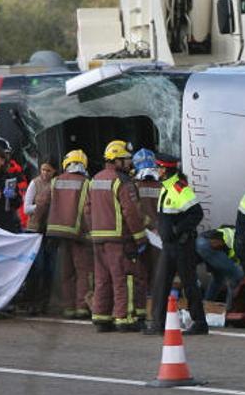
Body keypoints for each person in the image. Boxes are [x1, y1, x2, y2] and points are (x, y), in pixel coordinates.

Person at [85, 141, 148, 332]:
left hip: (98, 238)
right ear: (117, 160)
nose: (129, 164)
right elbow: (131, 212)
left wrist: (94, 230)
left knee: (102, 279)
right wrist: (140, 238)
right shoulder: (122, 182)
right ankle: (124, 318)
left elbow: (87, 210)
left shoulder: (95, 179)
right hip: (119, 239)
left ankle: (101, 317)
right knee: (122, 277)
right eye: (126, 160)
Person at [145, 153, 207, 336]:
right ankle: (158, 324)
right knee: (161, 284)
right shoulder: (166, 187)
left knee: (189, 284)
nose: (157, 170)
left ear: (166, 169)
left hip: (181, 246)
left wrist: (177, 230)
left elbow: (197, 213)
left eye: (159, 167)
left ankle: (200, 323)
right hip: (169, 246)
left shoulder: (180, 189)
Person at [44, 150, 94, 319]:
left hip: (59, 234)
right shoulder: (87, 183)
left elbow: (43, 203)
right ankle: (81, 307)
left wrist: (36, 227)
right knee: (82, 271)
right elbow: (89, 210)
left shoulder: (55, 181)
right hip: (80, 234)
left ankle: (68, 308)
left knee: (66, 272)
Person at [23, 156, 59, 314]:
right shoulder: (35, 183)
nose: (44, 173)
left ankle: (45, 301)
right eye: (43, 169)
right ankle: (32, 300)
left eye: (48, 170)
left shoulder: (56, 184)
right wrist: (41, 205)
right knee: (38, 267)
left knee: (50, 269)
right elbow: (26, 208)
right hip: (35, 229)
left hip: (50, 229)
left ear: (54, 171)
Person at [132, 148, 161, 327]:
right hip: (160, 236)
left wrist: (148, 225)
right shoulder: (162, 185)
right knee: (158, 274)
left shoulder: (134, 186)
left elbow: (135, 211)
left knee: (141, 274)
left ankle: (145, 309)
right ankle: (157, 309)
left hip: (142, 236)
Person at [196, 225, 244, 306]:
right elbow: (236, 262)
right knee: (236, 275)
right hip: (209, 245)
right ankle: (231, 308)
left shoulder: (232, 231)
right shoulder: (243, 239)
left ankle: (207, 304)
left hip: (201, 241)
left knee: (218, 277)